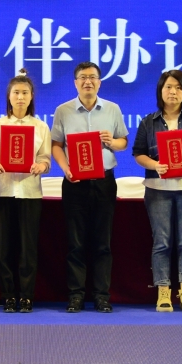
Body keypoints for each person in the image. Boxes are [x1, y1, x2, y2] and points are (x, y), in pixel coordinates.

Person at [51, 61, 129, 313]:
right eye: (83, 77)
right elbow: (56, 145)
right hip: (74, 183)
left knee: (102, 243)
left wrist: (112, 142)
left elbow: (124, 141)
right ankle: (76, 295)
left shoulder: (113, 109)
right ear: (75, 83)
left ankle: (101, 296)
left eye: (93, 77)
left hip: (104, 182)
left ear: (99, 82)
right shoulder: (63, 110)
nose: (88, 81)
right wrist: (65, 168)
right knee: (75, 243)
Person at [132, 70, 182, 312]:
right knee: (162, 242)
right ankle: (163, 291)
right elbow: (138, 153)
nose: (173, 92)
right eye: (168, 87)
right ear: (161, 91)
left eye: (178, 87)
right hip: (158, 189)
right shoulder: (148, 121)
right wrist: (155, 165)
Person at [0, 69, 51, 313]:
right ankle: (8, 296)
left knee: (28, 247)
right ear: (9, 96)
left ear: (31, 96)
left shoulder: (41, 127)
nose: (20, 97)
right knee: (4, 246)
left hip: (30, 192)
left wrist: (41, 166)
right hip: (3, 190)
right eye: (16, 93)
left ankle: (27, 296)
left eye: (25, 93)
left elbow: (45, 158)